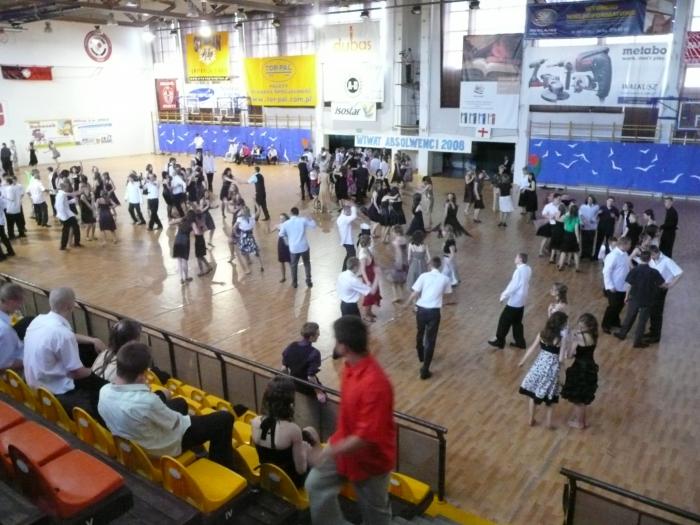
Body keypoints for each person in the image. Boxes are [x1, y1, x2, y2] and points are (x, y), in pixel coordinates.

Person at [305, 315, 396, 525]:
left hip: (370, 462)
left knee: (376, 516)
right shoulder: (349, 368)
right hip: (343, 449)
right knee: (315, 485)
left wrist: (327, 451)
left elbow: (365, 438)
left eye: (336, 341)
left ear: (344, 346)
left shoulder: (376, 384)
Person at [98, 342, 236, 469]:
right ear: (141, 376)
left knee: (180, 403)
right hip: (161, 448)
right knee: (224, 419)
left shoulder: (104, 391)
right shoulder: (148, 401)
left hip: (133, 440)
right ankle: (221, 466)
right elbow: (175, 423)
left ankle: (198, 450)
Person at [23, 287, 107, 418]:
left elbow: (65, 336)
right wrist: (98, 370)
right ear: (69, 306)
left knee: (86, 351)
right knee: (103, 383)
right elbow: (77, 373)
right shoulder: (62, 334)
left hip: (35, 382)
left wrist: (92, 340)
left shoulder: (38, 320)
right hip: (56, 389)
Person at [252, 377, 319, 488]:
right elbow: (301, 470)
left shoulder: (255, 421)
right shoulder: (293, 429)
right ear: (289, 403)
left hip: (268, 475)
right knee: (312, 439)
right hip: (290, 483)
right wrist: (305, 451)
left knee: (310, 430)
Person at [517, 311, 568, 429]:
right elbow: (561, 359)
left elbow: (531, 348)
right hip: (552, 370)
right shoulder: (561, 339)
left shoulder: (542, 334)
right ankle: (549, 423)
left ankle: (531, 419)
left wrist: (522, 361)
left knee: (533, 393)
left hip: (538, 366)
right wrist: (564, 371)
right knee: (550, 398)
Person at [407, 256, 453, 380]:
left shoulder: (423, 276)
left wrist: (407, 304)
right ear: (440, 266)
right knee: (430, 339)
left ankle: (420, 353)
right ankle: (425, 369)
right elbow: (448, 294)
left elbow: (415, 292)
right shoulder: (445, 279)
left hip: (421, 310)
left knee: (420, 332)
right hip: (434, 312)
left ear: (430, 265)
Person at [614, 250, 664, 348]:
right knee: (642, 321)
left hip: (634, 298)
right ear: (650, 259)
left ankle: (622, 334)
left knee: (629, 317)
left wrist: (626, 296)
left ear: (640, 259)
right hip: (647, 299)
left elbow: (629, 284)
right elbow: (661, 284)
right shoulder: (654, 272)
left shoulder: (634, 270)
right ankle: (637, 342)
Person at [561, 313, 599, 429]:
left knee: (578, 400)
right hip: (590, 368)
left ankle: (579, 423)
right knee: (583, 397)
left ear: (589, 326)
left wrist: (569, 341)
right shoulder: (593, 336)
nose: (580, 329)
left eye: (582, 327)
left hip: (579, 369)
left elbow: (569, 355)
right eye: (579, 326)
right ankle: (582, 421)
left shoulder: (579, 337)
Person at [488, 253, 532, 350]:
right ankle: (520, 342)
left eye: (516, 257)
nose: (515, 258)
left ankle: (500, 341)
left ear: (520, 259)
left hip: (515, 301)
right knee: (517, 322)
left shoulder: (518, 271)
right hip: (522, 299)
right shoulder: (528, 269)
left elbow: (513, 286)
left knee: (504, 320)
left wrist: (503, 295)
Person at [644, 245, 683, 344]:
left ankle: (656, 335)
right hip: (651, 288)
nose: (651, 258)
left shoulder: (667, 261)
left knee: (657, 312)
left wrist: (671, 285)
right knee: (652, 311)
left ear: (656, 253)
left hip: (660, 289)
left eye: (652, 255)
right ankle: (652, 331)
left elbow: (679, 273)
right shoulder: (652, 260)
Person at [282, 322, 327, 403]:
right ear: (311, 337)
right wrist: (319, 392)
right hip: (306, 386)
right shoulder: (314, 353)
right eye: (317, 334)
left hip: (294, 382)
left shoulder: (292, 345)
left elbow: (284, 368)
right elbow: (310, 377)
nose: (319, 335)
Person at [278, 207, 316, 289]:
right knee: (307, 263)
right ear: (298, 213)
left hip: (293, 248)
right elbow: (313, 226)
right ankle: (308, 280)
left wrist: (287, 238)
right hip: (304, 247)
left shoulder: (286, 223)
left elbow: (281, 234)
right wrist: (311, 218)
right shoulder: (303, 220)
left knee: (293, 265)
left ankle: (294, 283)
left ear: (291, 213)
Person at [601, 236, 631, 334]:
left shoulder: (625, 254)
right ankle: (605, 324)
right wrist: (610, 286)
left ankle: (614, 321)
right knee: (613, 306)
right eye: (629, 244)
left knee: (620, 305)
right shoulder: (613, 256)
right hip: (614, 287)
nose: (630, 246)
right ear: (624, 244)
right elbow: (606, 272)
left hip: (623, 286)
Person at [0, 283, 24, 370]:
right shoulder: (5, 330)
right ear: (11, 302)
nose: (20, 306)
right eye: (19, 303)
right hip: (16, 368)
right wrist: (29, 360)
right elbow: (3, 364)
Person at [358, 235, 381, 322]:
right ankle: (365, 315)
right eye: (370, 241)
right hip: (368, 277)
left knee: (372, 295)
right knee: (368, 296)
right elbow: (362, 269)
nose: (371, 242)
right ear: (367, 242)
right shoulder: (363, 255)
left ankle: (369, 312)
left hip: (372, 275)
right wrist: (367, 281)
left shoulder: (367, 250)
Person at [235, 205, 264, 274]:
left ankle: (261, 265)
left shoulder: (251, 217)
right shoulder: (240, 219)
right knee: (244, 252)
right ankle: (248, 268)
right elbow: (234, 227)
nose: (244, 213)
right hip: (244, 236)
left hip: (249, 235)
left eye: (245, 211)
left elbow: (258, 211)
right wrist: (236, 234)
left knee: (255, 250)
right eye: (243, 211)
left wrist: (257, 204)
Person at [55, 181, 82, 250]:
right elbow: (71, 194)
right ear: (64, 188)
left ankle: (63, 246)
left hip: (65, 215)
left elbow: (65, 203)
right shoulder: (63, 193)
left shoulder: (59, 194)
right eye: (67, 187)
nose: (68, 188)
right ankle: (75, 243)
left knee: (67, 229)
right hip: (66, 216)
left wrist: (73, 200)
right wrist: (79, 192)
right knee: (73, 228)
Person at [172, 210, 194, 284]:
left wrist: (179, 219)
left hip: (177, 240)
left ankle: (181, 278)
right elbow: (196, 232)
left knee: (179, 261)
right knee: (184, 261)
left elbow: (170, 223)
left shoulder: (182, 220)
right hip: (185, 241)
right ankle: (186, 277)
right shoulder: (192, 223)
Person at [387, 226, 408, 303]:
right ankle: (402, 295)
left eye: (393, 232)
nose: (392, 234)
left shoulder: (396, 242)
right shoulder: (404, 239)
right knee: (402, 281)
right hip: (405, 262)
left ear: (397, 233)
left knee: (393, 281)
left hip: (398, 263)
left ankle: (396, 296)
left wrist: (398, 263)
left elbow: (398, 253)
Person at [558, 203, 581, 272]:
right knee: (575, 252)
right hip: (573, 236)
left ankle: (560, 266)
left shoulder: (566, 217)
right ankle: (577, 267)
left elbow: (560, 221)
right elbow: (576, 229)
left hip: (566, 235)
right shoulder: (577, 218)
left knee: (563, 252)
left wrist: (565, 214)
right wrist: (578, 238)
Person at [336, 201, 358, 271]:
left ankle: (344, 270)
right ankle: (350, 271)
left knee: (348, 255)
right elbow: (354, 216)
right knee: (352, 257)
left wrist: (348, 205)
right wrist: (353, 206)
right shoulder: (344, 219)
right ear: (346, 212)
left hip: (345, 241)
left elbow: (344, 209)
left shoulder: (341, 216)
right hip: (348, 242)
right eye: (349, 213)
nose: (350, 214)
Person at [579, 195, 599, 261]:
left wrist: (594, 220)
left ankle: (589, 254)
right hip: (584, 227)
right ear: (587, 200)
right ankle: (583, 254)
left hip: (592, 227)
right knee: (584, 241)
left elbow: (597, 215)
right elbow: (580, 214)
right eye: (588, 199)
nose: (589, 200)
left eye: (591, 199)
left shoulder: (596, 207)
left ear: (593, 200)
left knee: (591, 241)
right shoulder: (583, 206)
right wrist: (583, 221)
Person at [272, 213, 291, 283]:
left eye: (283, 218)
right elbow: (270, 231)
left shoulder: (289, 225)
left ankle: (293, 276)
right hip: (281, 243)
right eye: (280, 219)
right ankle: (283, 277)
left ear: (286, 219)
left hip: (288, 243)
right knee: (281, 261)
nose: (281, 220)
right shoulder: (279, 225)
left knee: (290, 261)